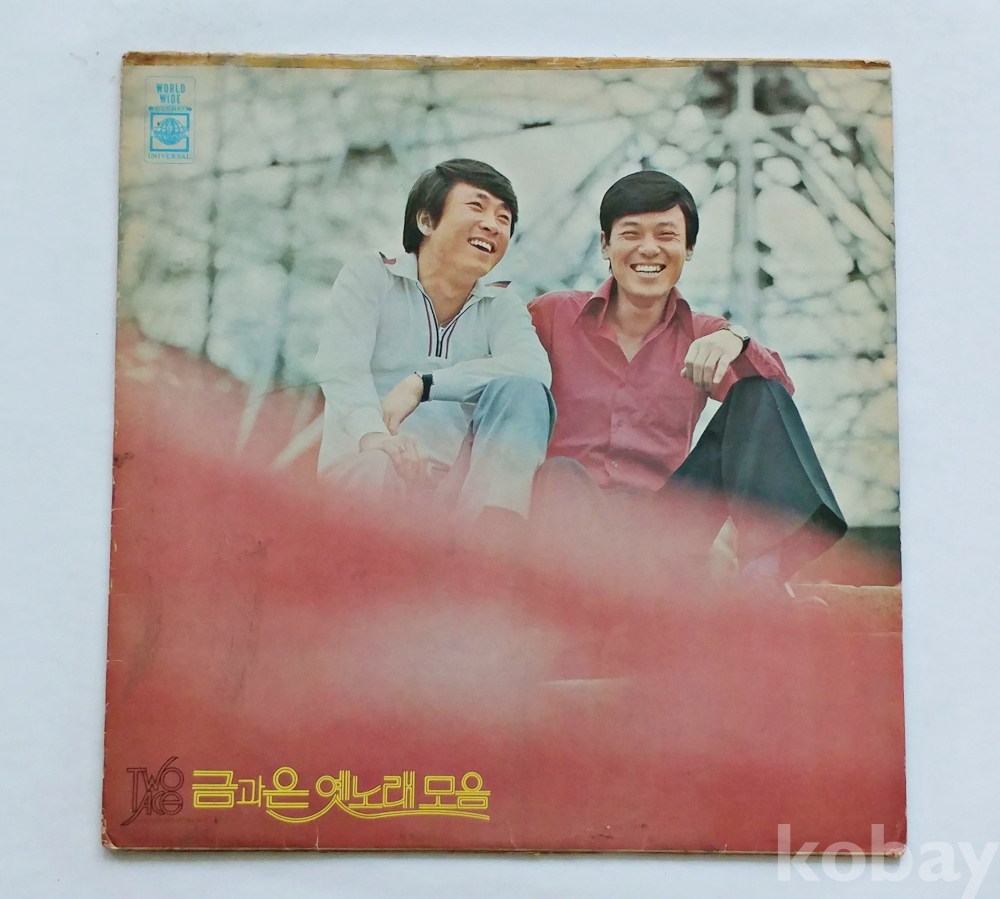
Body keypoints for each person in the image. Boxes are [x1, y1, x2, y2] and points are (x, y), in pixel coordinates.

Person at [528, 170, 846, 582]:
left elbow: (776, 402)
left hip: (664, 529)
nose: (648, 248)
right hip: (571, 520)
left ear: (688, 248)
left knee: (758, 390)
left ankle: (766, 571)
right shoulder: (553, 315)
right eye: (631, 234)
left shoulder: (704, 333)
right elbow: (497, 385)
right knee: (558, 474)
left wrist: (737, 340)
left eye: (666, 235)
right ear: (606, 244)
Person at [315, 158, 554, 525]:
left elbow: (534, 371)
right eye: (476, 207)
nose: (492, 225)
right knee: (377, 467)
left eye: (503, 218)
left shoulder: (502, 305)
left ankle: (493, 538)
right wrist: (375, 437)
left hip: (452, 495)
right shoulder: (372, 277)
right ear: (426, 220)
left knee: (523, 391)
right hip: (368, 468)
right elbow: (341, 371)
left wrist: (423, 384)